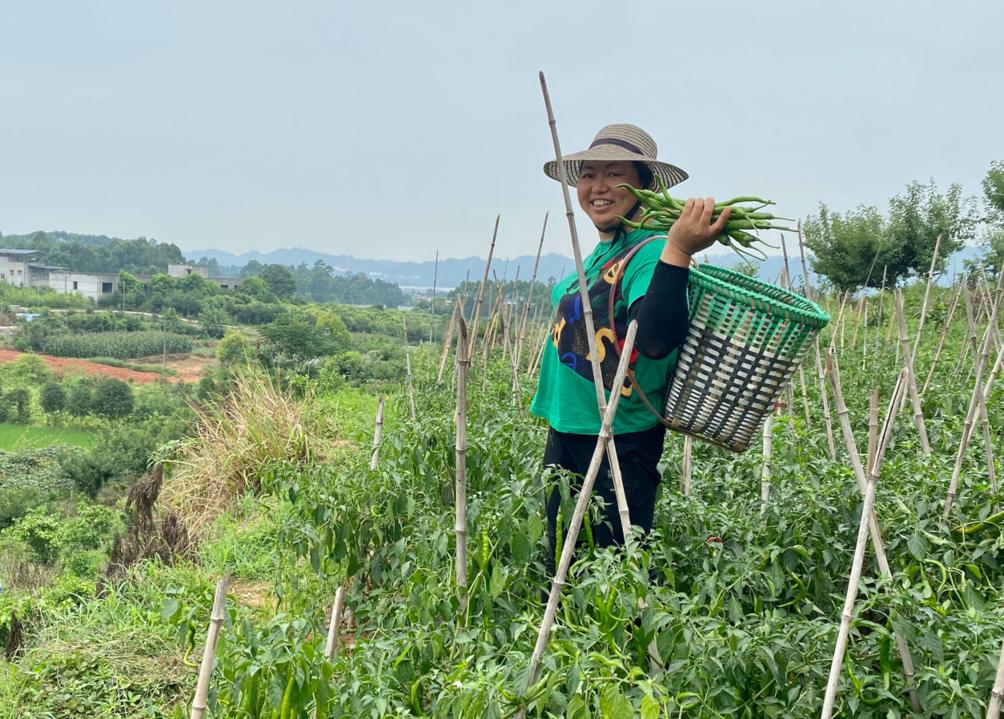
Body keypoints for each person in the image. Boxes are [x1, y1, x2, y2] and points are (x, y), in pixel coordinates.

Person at [529, 123, 731, 576]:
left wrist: (678, 247)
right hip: (569, 428)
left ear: (645, 186)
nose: (597, 187)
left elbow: (656, 339)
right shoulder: (604, 252)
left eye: (615, 174)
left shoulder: (651, 249)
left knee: (614, 567)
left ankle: (624, 646)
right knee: (562, 558)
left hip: (619, 436)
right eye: (588, 174)